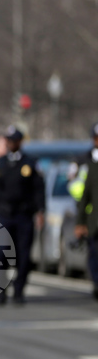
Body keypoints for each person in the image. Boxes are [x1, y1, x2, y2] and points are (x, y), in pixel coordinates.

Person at [0, 126, 45, 305]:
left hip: (24, 215)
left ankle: (19, 290)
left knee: (23, 256)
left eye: (14, 141)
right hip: (3, 214)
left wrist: (40, 210)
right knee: (1, 253)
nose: (11, 144)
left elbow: (38, 189)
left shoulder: (30, 164)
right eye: (8, 141)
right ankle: (0, 290)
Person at [74, 124, 98, 300]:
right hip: (94, 220)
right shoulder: (86, 162)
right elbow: (84, 195)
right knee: (94, 255)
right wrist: (80, 222)